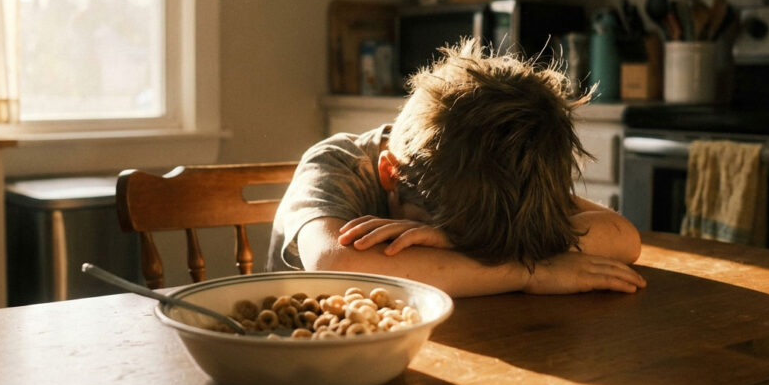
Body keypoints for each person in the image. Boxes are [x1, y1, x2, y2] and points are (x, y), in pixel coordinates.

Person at [267, 39, 645, 298]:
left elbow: (623, 237)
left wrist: (458, 242)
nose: (470, 250)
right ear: (390, 173)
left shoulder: (501, 175)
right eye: (451, 235)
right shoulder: (339, 163)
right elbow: (335, 262)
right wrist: (529, 271)